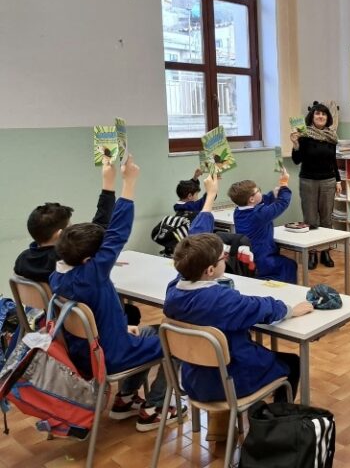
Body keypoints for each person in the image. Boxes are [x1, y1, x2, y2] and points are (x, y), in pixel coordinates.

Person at [164, 174, 314, 441]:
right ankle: (271, 429)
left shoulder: (175, 289)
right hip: (229, 381)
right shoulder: (224, 301)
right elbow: (265, 308)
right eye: (223, 257)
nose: (226, 259)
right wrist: (291, 309)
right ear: (211, 270)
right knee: (291, 362)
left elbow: (196, 237)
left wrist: (210, 197)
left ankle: (222, 430)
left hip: (194, 380)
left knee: (234, 349)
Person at [49, 155, 184, 431]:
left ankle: (124, 398)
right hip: (111, 355)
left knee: (148, 331)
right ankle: (156, 407)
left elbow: (103, 234)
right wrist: (129, 183)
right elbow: (117, 233)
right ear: (91, 260)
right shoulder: (92, 275)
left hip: (88, 352)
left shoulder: (58, 275)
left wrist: (108, 181)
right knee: (179, 341)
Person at [14, 159, 140, 325]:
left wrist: (108, 183)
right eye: (70, 226)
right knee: (132, 313)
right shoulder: (67, 261)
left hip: (50, 320)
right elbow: (104, 230)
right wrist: (113, 183)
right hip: (85, 321)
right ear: (60, 235)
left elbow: (97, 227)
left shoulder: (22, 260)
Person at [290, 101, 342, 270]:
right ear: (312, 117)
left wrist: (338, 180)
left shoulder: (331, 137)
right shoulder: (304, 135)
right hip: (308, 181)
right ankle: (312, 253)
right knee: (310, 219)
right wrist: (295, 144)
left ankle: (325, 252)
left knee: (327, 218)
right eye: (317, 113)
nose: (320, 116)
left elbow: (333, 161)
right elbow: (297, 160)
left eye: (324, 114)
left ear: (328, 118)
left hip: (328, 181)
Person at [228, 170, 297, 283]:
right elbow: (282, 203)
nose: (260, 192)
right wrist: (284, 184)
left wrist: (272, 195)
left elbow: (260, 201)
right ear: (251, 199)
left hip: (249, 258)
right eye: (258, 190)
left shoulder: (238, 211)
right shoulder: (258, 214)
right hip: (263, 260)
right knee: (289, 265)